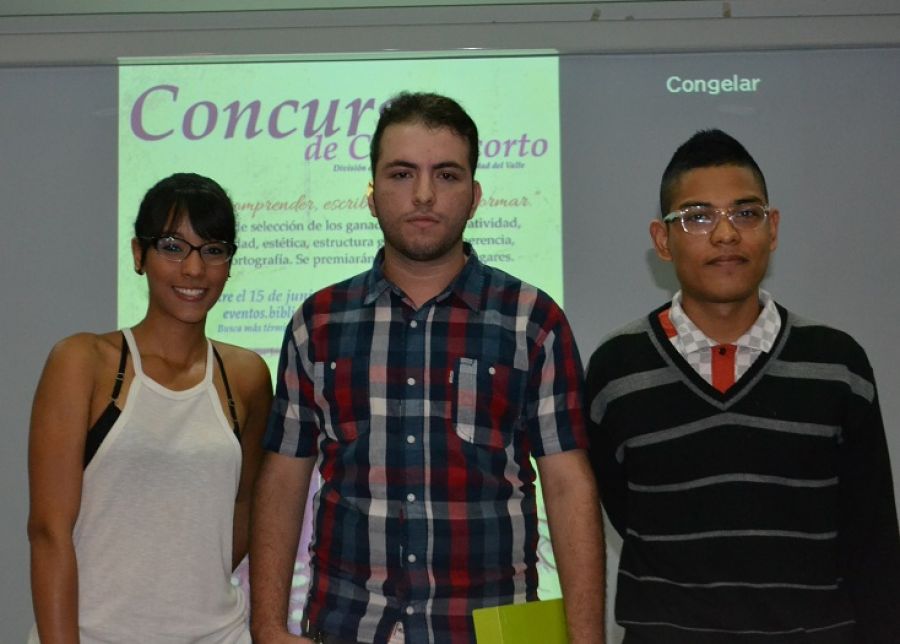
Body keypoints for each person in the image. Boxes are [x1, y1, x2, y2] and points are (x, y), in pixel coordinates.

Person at [250, 92, 605, 644]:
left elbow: (568, 486)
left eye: (446, 174)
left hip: (493, 631)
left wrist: (586, 639)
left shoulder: (533, 320)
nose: (423, 194)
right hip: (350, 626)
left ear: (475, 195)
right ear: (371, 194)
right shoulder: (317, 323)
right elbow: (283, 479)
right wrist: (268, 625)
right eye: (401, 174)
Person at [586, 129, 900, 643]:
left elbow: (874, 541)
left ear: (772, 229)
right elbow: (628, 512)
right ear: (662, 240)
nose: (725, 234)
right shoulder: (617, 369)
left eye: (746, 213)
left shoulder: (837, 365)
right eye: (697, 217)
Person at [27, 173, 273, 643]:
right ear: (139, 255)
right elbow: (48, 531)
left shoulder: (247, 377)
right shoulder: (82, 362)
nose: (194, 269)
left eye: (213, 250)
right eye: (173, 247)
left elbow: (246, 508)